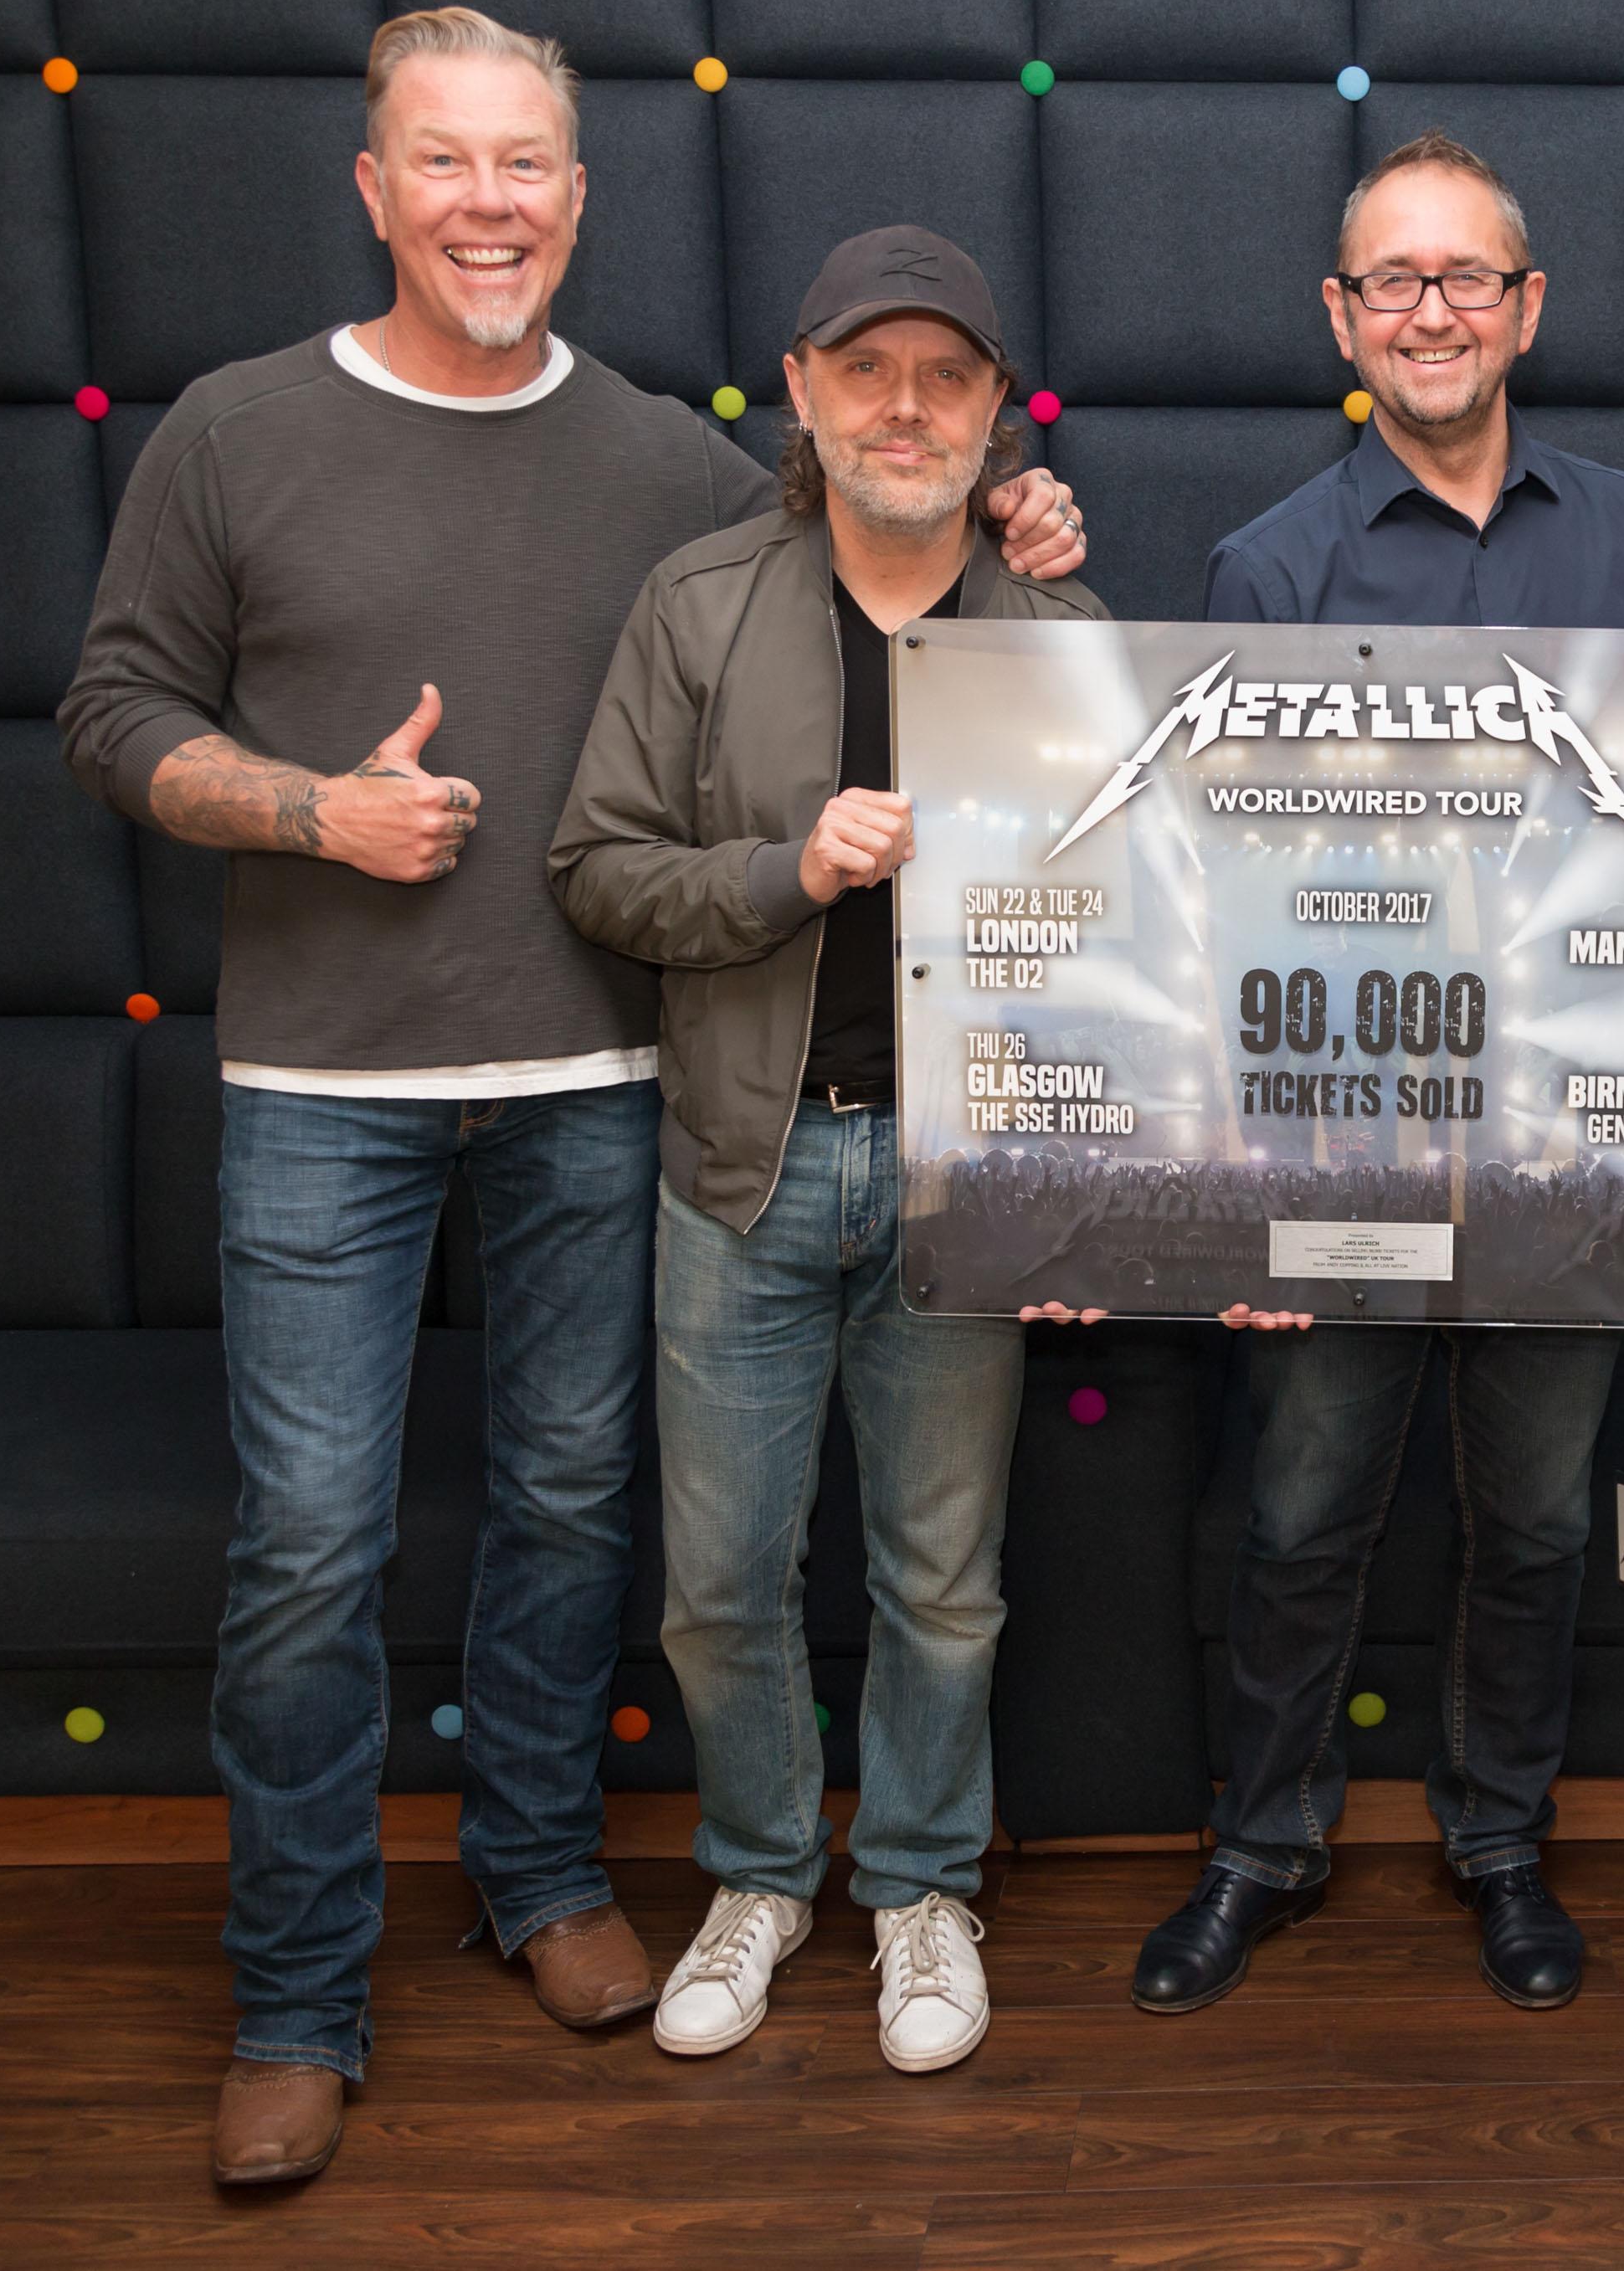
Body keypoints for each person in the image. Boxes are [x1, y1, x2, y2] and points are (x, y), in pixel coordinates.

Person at [54, 10, 1085, 2186]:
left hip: (610, 1087)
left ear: (581, 198)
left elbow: (882, 533)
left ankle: (536, 1875)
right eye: (446, 160)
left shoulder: (671, 471)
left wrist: (1019, 518)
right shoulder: (234, 431)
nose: (490, 201)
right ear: (375, 185)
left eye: (525, 162)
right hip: (324, 1085)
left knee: (568, 1515)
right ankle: (297, 1993)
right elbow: (112, 710)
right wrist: (311, 809)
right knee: (312, 1546)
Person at [1129, 131, 1624, 2015]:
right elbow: (1216, 887)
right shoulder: (1266, 565)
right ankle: (1263, 1844)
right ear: (1342, 318)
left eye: (1467, 276)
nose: (1432, 311)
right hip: (1344, 1141)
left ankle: (1501, 1837)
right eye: (1395, 280)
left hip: (1566, 1137)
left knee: (1535, 1523)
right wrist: (1244, 1190)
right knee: (1303, 1518)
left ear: (1526, 307)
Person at [551, 226, 1102, 2078]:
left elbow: (1134, 946)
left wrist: (1092, 1193)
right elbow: (596, 869)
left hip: (967, 1185)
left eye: (945, 376)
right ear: (799, 390)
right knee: (721, 1584)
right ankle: (760, 1875)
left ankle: (924, 1885)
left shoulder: (1061, 634)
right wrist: (783, 871)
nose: (904, 407)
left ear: (996, 410)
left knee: (943, 1582)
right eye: (865, 369)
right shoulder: (700, 603)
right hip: (745, 1170)